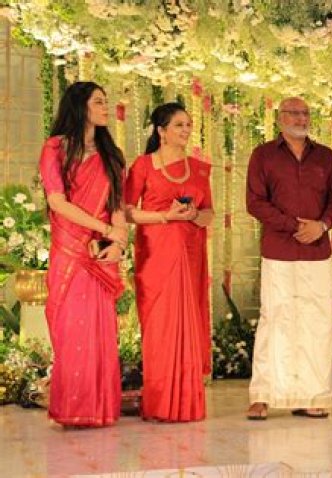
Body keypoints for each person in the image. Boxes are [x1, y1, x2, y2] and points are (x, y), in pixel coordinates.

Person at [245, 97, 332, 420]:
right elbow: (255, 202)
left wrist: (321, 225)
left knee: (317, 322)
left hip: (317, 252)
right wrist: (294, 226)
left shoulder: (325, 156)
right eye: (294, 113)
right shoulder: (263, 155)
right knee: (275, 319)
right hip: (279, 250)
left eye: (305, 114)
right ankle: (263, 395)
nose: (301, 119)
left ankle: (312, 395)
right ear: (280, 118)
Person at [39, 81, 127, 427]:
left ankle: (98, 409)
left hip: (100, 255)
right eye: (99, 102)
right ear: (80, 107)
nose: (106, 108)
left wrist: (118, 242)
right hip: (70, 249)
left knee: (100, 331)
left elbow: (117, 205)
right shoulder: (55, 148)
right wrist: (104, 229)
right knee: (69, 327)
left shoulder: (111, 155)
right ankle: (72, 408)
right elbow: (57, 202)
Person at [125, 102, 214, 422]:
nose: (186, 130)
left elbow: (209, 214)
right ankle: (160, 402)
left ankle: (187, 403)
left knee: (189, 322)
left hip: (190, 254)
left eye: (188, 124)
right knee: (160, 327)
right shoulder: (143, 165)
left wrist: (193, 214)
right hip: (156, 255)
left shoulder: (200, 168)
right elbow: (126, 212)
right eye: (179, 125)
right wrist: (165, 215)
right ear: (161, 131)